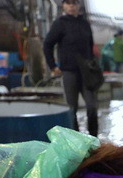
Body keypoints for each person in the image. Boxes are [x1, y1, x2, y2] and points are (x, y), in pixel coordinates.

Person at [43, 0, 100, 137]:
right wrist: (53, 66)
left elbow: (90, 45)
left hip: (86, 73)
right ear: (63, 6)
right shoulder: (60, 24)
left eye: (74, 3)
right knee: (71, 108)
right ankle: (76, 140)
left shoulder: (84, 23)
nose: (71, 6)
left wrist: (93, 65)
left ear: (78, 6)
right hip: (69, 72)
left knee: (92, 106)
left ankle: (94, 139)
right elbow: (47, 45)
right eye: (68, 3)